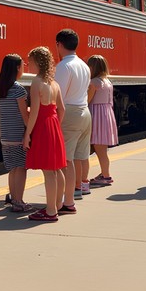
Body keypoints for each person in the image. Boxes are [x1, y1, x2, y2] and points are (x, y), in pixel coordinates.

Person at [22, 46, 67, 221]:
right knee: (56, 168)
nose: (28, 65)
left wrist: (28, 134)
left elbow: (33, 112)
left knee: (48, 171)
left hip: (42, 126)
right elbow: (62, 109)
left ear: (38, 63)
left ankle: (50, 211)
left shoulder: (37, 82)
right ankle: (57, 205)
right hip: (54, 124)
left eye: (30, 61)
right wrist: (55, 125)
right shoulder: (54, 84)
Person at [54, 29, 91, 212]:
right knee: (78, 156)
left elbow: (58, 95)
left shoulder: (63, 66)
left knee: (66, 161)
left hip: (70, 113)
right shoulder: (83, 65)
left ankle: (68, 202)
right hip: (85, 112)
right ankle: (75, 192)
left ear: (59, 44)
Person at [0, 54, 31, 212]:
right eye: (22, 65)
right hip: (17, 134)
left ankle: (13, 199)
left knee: (12, 168)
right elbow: (24, 115)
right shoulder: (18, 89)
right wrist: (29, 131)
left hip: (6, 134)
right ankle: (18, 201)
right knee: (21, 168)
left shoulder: (1, 88)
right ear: (17, 68)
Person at [87, 54, 118, 186]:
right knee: (102, 150)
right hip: (106, 114)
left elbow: (87, 100)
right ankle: (105, 174)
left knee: (98, 149)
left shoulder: (94, 82)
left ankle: (106, 175)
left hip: (96, 115)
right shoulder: (107, 82)